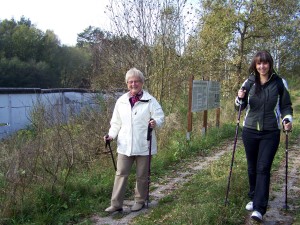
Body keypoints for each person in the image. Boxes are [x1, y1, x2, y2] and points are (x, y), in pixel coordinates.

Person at [235, 50, 293, 222]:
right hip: (250, 130)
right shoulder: (250, 81)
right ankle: (253, 197)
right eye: (259, 63)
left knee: (263, 167)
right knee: (252, 167)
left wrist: (287, 119)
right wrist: (239, 98)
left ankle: (260, 208)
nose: (262, 66)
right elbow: (240, 106)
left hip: (270, 132)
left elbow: (286, 106)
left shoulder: (279, 82)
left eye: (265, 63)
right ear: (255, 65)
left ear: (270, 64)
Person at [104, 67, 165, 213]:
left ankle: (140, 201)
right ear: (127, 83)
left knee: (142, 176)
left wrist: (155, 122)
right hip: (124, 145)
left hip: (144, 143)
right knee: (120, 173)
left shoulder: (150, 100)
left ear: (142, 83)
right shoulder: (121, 101)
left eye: (136, 81)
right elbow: (116, 123)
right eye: (130, 82)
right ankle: (116, 204)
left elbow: (160, 116)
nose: (133, 84)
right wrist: (111, 135)